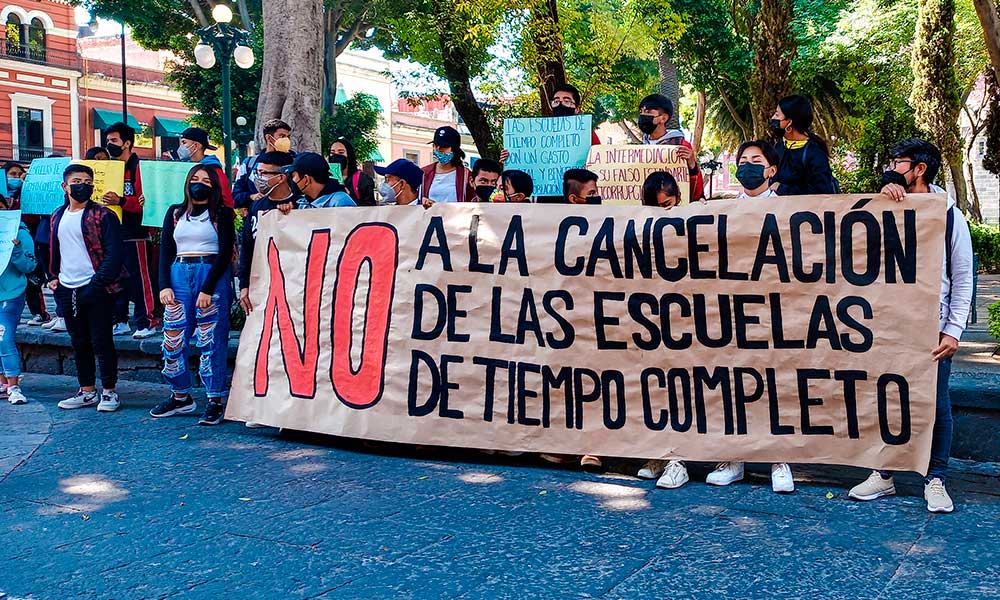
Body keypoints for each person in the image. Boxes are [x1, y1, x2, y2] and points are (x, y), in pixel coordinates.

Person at [848, 139, 973, 513]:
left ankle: (935, 478)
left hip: (931, 333)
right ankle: (883, 473)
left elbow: (962, 277)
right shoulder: (886, 207)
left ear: (919, 169)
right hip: (886, 328)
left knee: (935, 406)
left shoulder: (949, 216)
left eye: (898, 162)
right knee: (884, 399)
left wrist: (953, 330)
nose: (891, 166)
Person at [151, 165, 236, 426]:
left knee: (211, 338)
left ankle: (214, 399)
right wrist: (164, 285)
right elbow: (165, 249)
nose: (200, 183)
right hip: (178, 273)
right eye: (195, 179)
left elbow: (225, 253)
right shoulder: (175, 213)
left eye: (206, 180)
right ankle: (180, 396)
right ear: (187, 183)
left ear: (214, 185)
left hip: (210, 271)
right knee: (173, 337)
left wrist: (208, 288)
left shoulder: (222, 213)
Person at [50, 164, 126, 413]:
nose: (82, 185)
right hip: (67, 287)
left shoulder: (103, 215)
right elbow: (53, 248)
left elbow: (114, 254)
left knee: (102, 340)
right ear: (65, 186)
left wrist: (98, 283)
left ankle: (109, 391)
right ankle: (86, 391)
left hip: (96, 287)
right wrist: (53, 277)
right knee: (78, 341)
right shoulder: (57, 215)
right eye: (77, 180)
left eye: (87, 180)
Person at [104, 122, 159, 340]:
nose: (109, 145)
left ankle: (147, 320)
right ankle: (120, 320)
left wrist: (122, 201)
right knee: (116, 278)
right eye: (108, 141)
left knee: (139, 278)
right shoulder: (109, 169)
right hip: (113, 231)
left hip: (136, 232)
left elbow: (147, 202)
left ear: (127, 143)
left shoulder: (140, 168)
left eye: (114, 141)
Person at [237, 151, 299, 315]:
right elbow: (248, 248)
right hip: (262, 284)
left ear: (281, 177)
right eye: (257, 172)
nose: (259, 177)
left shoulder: (300, 205)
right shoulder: (257, 206)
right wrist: (244, 286)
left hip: (294, 287)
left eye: (264, 173)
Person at [4, 162, 50, 327]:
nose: (16, 178)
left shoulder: (28, 194)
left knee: (32, 276)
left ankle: (39, 312)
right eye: (12, 174)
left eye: (19, 174)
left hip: (26, 237)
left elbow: (33, 216)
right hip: (5, 239)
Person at [0, 201, 37, 405]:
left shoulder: (20, 233)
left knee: (4, 338)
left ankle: (14, 386)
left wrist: (15, 250)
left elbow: (30, 265)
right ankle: (4, 383)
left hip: (10, 294)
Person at [636, 94, 705, 202]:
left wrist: (692, 165)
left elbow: (695, 189)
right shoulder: (639, 149)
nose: (643, 115)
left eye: (648, 112)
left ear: (663, 118)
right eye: (641, 112)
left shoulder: (680, 145)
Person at [769, 95, 836, 195]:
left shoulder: (814, 153)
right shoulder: (779, 146)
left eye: (777, 115)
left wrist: (782, 188)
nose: (773, 118)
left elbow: (822, 190)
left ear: (789, 123)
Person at [233, 119, 292, 211]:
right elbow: (235, 196)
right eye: (282, 136)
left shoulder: (295, 162)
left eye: (288, 137)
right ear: (268, 138)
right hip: (257, 218)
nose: (286, 140)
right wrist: (250, 197)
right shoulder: (249, 164)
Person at [179, 127, 234, 208]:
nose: (181, 147)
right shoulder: (183, 168)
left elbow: (227, 201)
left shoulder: (214, 170)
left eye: (184, 142)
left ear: (196, 146)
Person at [283, 152, 357, 209]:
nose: (292, 180)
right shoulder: (303, 203)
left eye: (294, 176)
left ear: (306, 179)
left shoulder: (340, 201)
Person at [421, 126, 476, 204]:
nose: (438, 149)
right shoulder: (424, 173)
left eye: (443, 147)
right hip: (430, 215)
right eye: (435, 145)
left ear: (454, 149)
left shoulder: (466, 176)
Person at [329, 137, 376, 206]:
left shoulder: (362, 179)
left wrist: (348, 198)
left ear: (349, 155)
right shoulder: (325, 179)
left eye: (341, 152)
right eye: (332, 153)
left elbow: (370, 208)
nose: (336, 156)